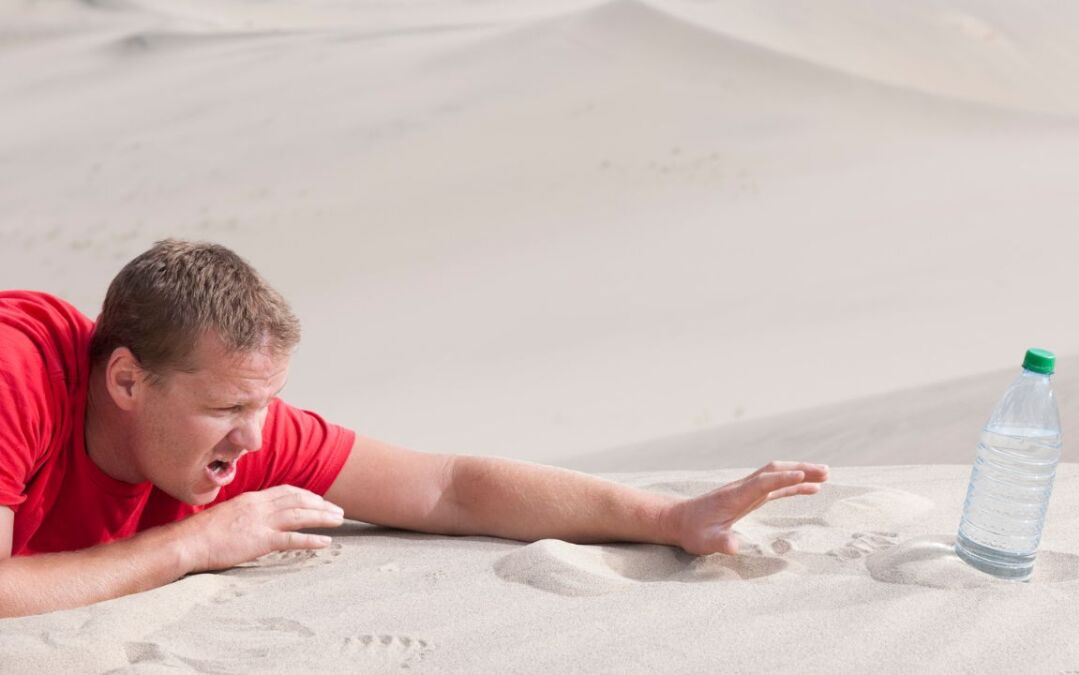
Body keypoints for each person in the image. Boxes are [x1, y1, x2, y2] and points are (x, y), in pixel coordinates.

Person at [0, 240, 829, 618]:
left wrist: (667, 518)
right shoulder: (19, 375)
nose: (255, 439)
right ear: (125, 381)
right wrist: (194, 543)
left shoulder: (239, 423)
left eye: (264, 404)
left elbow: (446, 487)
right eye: (226, 408)